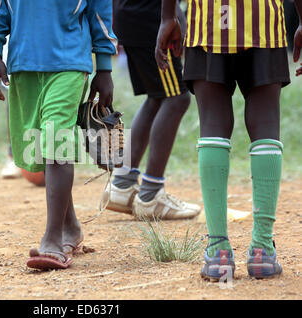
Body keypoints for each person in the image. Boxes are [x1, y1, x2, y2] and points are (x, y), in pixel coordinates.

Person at [156, 0, 302, 280]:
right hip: (262, 19)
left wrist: (168, 17)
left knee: (212, 125)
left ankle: (219, 251)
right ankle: (261, 250)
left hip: (207, 19)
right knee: (266, 124)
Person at [0, 0, 117, 270]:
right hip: (23, 64)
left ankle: (52, 239)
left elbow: (100, 9)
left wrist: (104, 67)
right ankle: (70, 227)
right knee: (42, 146)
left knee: (56, 141)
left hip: (69, 62)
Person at [107, 0, 201, 220]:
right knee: (177, 98)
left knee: (158, 96)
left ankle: (122, 185)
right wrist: (174, 17)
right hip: (153, 19)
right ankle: (151, 195)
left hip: (131, 15)